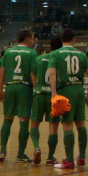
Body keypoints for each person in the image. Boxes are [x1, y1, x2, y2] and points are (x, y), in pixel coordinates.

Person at [49, 28, 88, 169]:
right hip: (79, 89)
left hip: (66, 90)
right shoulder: (82, 55)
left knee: (67, 124)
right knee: (81, 124)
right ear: (74, 40)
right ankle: (81, 158)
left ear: (62, 40)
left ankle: (69, 160)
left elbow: (51, 73)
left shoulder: (56, 54)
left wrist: (54, 93)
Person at [0, 29, 38, 163]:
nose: (33, 41)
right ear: (27, 39)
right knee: (24, 121)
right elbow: (33, 74)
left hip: (10, 87)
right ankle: (20, 154)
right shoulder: (32, 53)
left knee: (7, 120)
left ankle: (2, 151)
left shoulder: (8, 52)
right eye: (32, 39)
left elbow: (2, 71)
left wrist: (0, 89)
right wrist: (36, 89)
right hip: (24, 87)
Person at [30, 37, 63, 165]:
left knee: (34, 124)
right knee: (53, 128)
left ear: (50, 47)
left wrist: (35, 86)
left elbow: (32, 73)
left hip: (39, 94)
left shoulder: (39, 58)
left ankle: (36, 147)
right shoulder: (60, 59)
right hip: (53, 96)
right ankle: (50, 157)